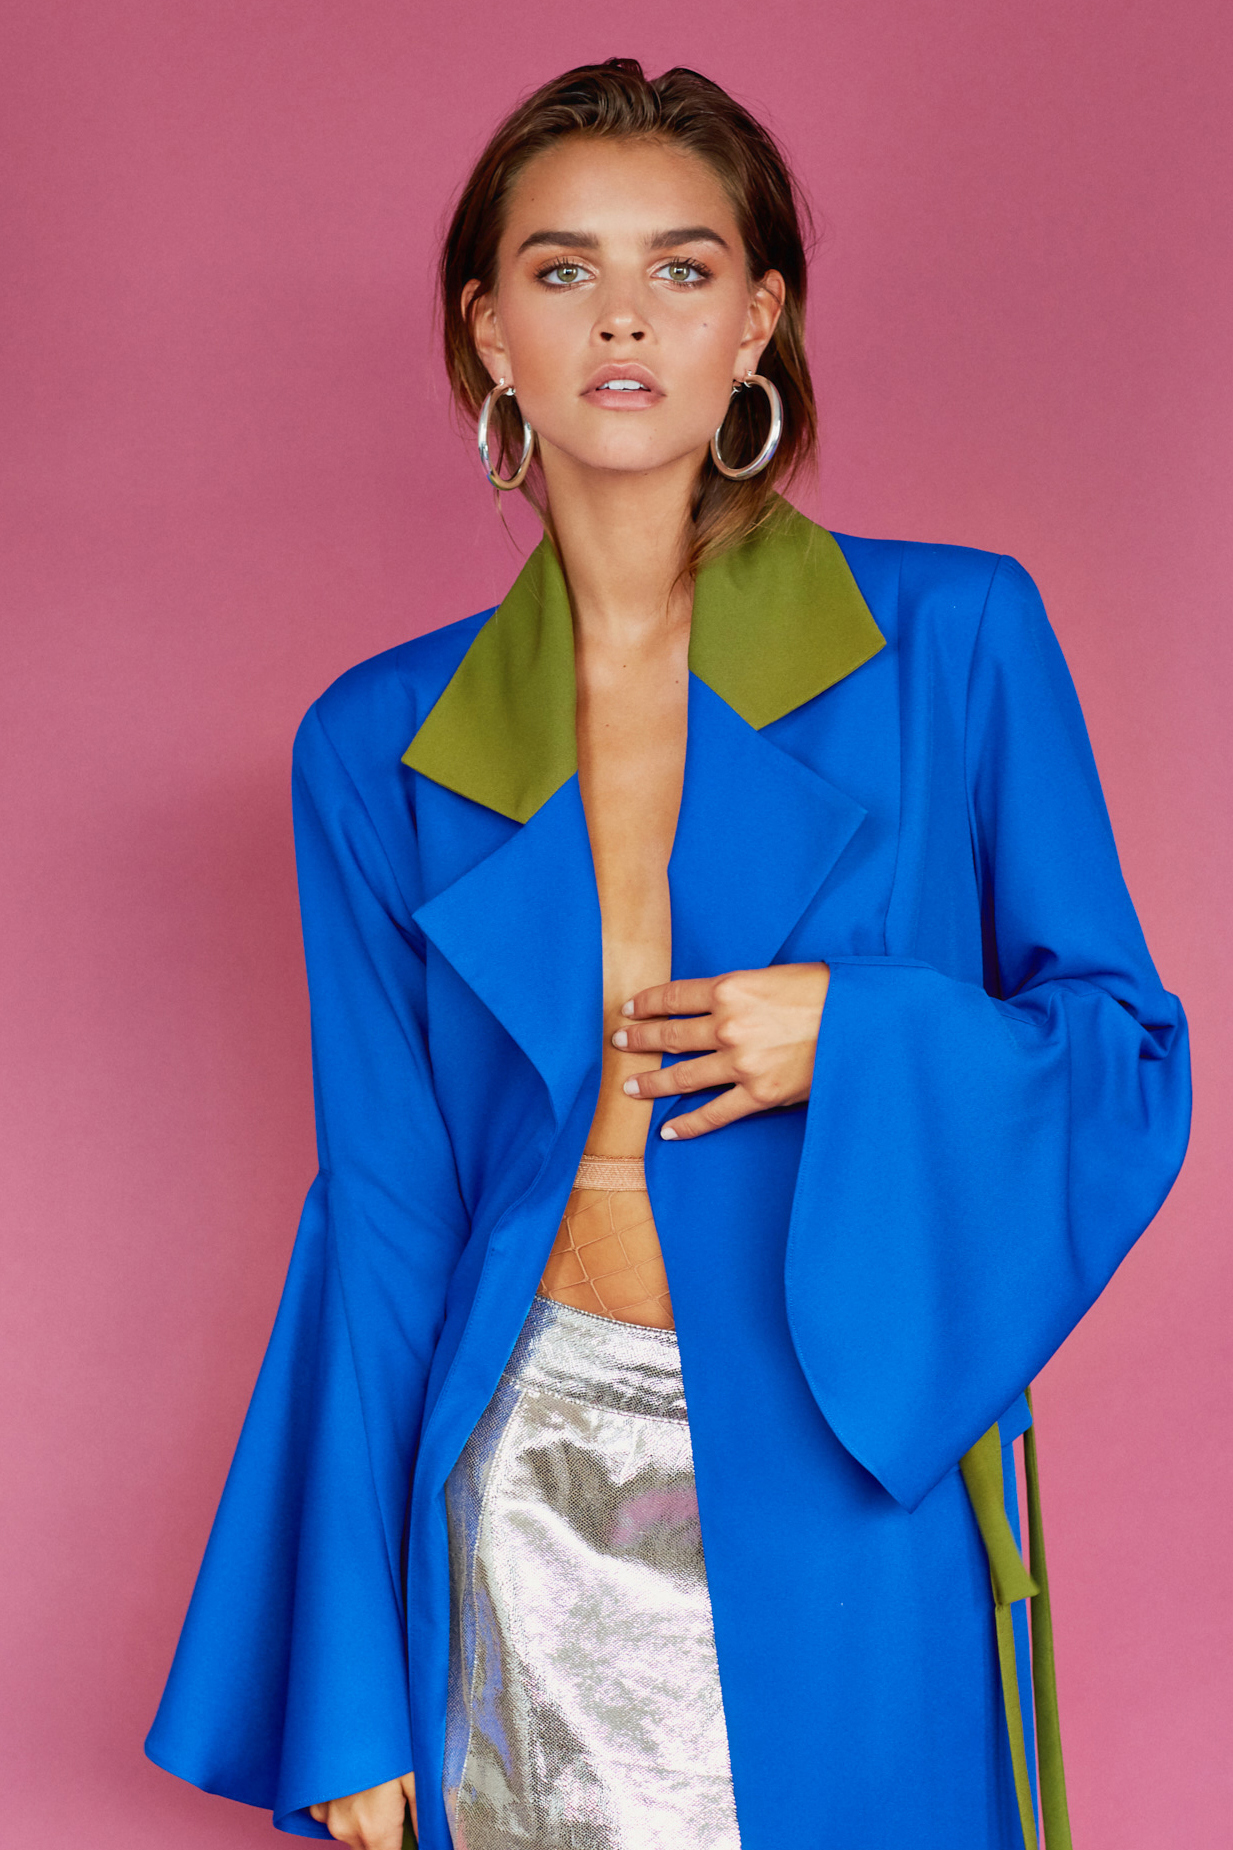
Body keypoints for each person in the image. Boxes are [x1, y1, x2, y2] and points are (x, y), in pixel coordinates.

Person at [144, 58, 1191, 1850]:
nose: (621, 316)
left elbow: (1122, 1052)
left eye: (681, 268)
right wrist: (349, 1681)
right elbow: (382, 1214)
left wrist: (855, 1032)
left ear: (756, 320)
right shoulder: (376, 744)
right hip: (523, 1491)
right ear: (486, 331)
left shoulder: (954, 637)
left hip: (842, 1460)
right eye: (561, 270)